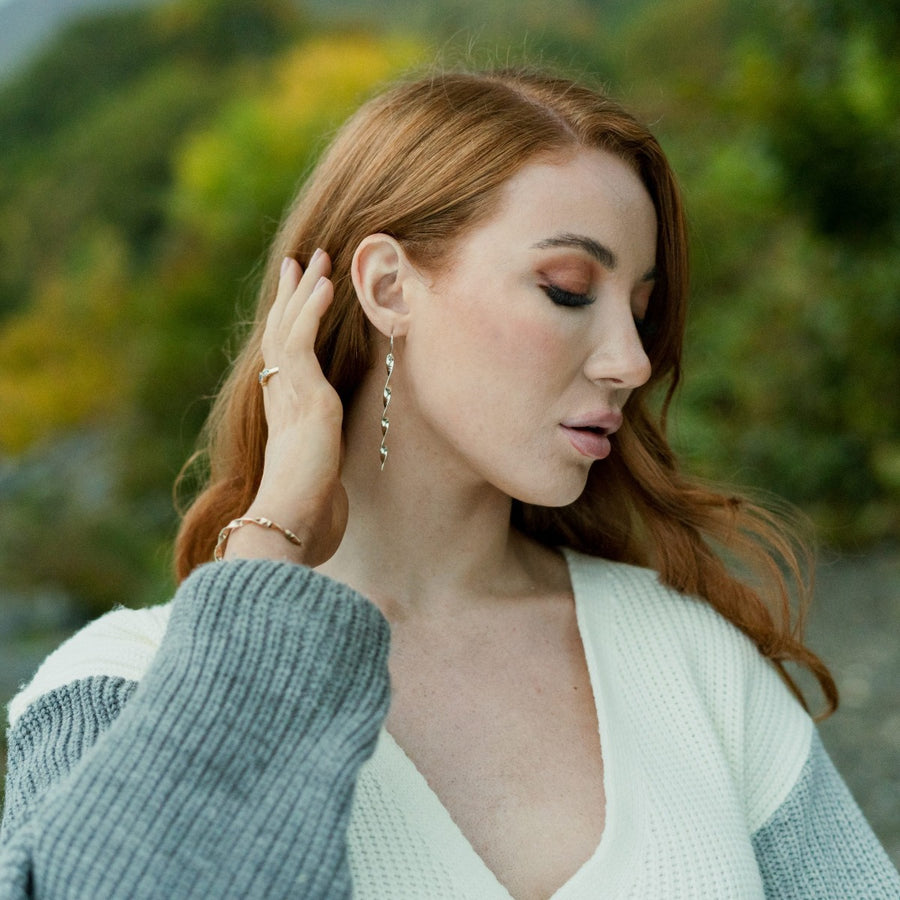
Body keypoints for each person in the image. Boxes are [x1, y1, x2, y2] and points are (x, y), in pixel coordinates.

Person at [1, 68, 898, 900]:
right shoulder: (120, 684)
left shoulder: (690, 658)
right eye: (567, 288)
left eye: (641, 310)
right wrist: (270, 543)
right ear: (389, 287)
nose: (629, 361)